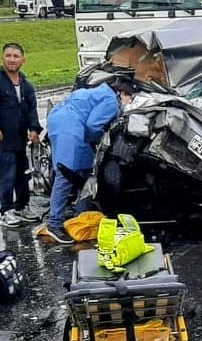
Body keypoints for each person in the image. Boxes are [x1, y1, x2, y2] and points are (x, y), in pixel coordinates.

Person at [36, 78, 136, 244]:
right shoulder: (111, 101)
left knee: (81, 171)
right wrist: (97, 142)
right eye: (129, 99)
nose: (128, 103)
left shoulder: (99, 91)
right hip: (71, 128)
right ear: (123, 94)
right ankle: (54, 224)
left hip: (60, 122)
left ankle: (81, 213)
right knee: (66, 174)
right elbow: (93, 126)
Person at [0, 42, 42, 228]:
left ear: (23, 60)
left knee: (23, 174)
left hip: (20, 138)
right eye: (8, 55)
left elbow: (32, 109)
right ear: (2, 58)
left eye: (16, 56)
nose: (12, 59)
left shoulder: (26, 85)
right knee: (7, 173)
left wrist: (34, 129)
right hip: (1, 138)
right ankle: (6, 211)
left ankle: (22, 206)